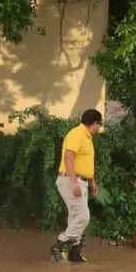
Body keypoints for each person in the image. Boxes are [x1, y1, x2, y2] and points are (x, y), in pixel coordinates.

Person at [50, 109, 103, 263]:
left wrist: (92, 181)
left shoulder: (87, 138)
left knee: (76, 216)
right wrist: (73, 182)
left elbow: (86, 162)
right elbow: (68, 158)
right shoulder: (76, 134)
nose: (98, 129)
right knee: (82, 216)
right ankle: (60, 246)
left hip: (82, 181)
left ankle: (74, 253)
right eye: (98, 125)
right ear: (93, 123)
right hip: (70, 180)